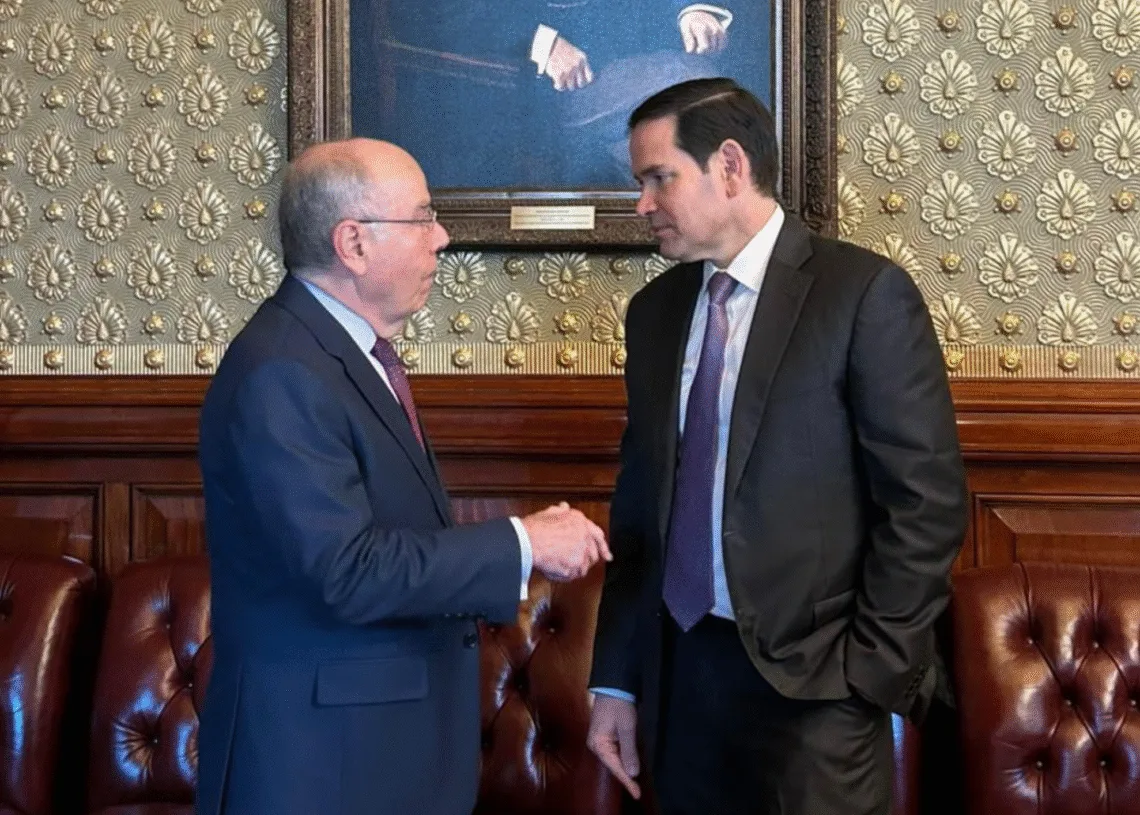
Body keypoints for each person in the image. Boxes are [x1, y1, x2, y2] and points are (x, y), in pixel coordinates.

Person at [585, 78, 968, 815]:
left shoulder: (861, 294)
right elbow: (638, 513)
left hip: (817, 690)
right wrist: (616, 681)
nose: (642, 204)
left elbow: (925, 505)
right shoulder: (655, 313)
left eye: (659, 178)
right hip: (681, 682)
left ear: (730, 166)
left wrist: (867, 671)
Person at [195, 137, 610, 815]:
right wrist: (523, 542)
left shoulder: (338, 354)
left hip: (370, 756)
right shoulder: (282, 372)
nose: (441, 238)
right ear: (353, 243)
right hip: (321, 769)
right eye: (422, 218)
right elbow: (347, 570)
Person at [350, 0, 744, 188]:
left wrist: (691, 9)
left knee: (693, 99)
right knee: (691, 97)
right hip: (515, 86)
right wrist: (540, 42)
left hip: (617, 63)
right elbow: (435, 14)